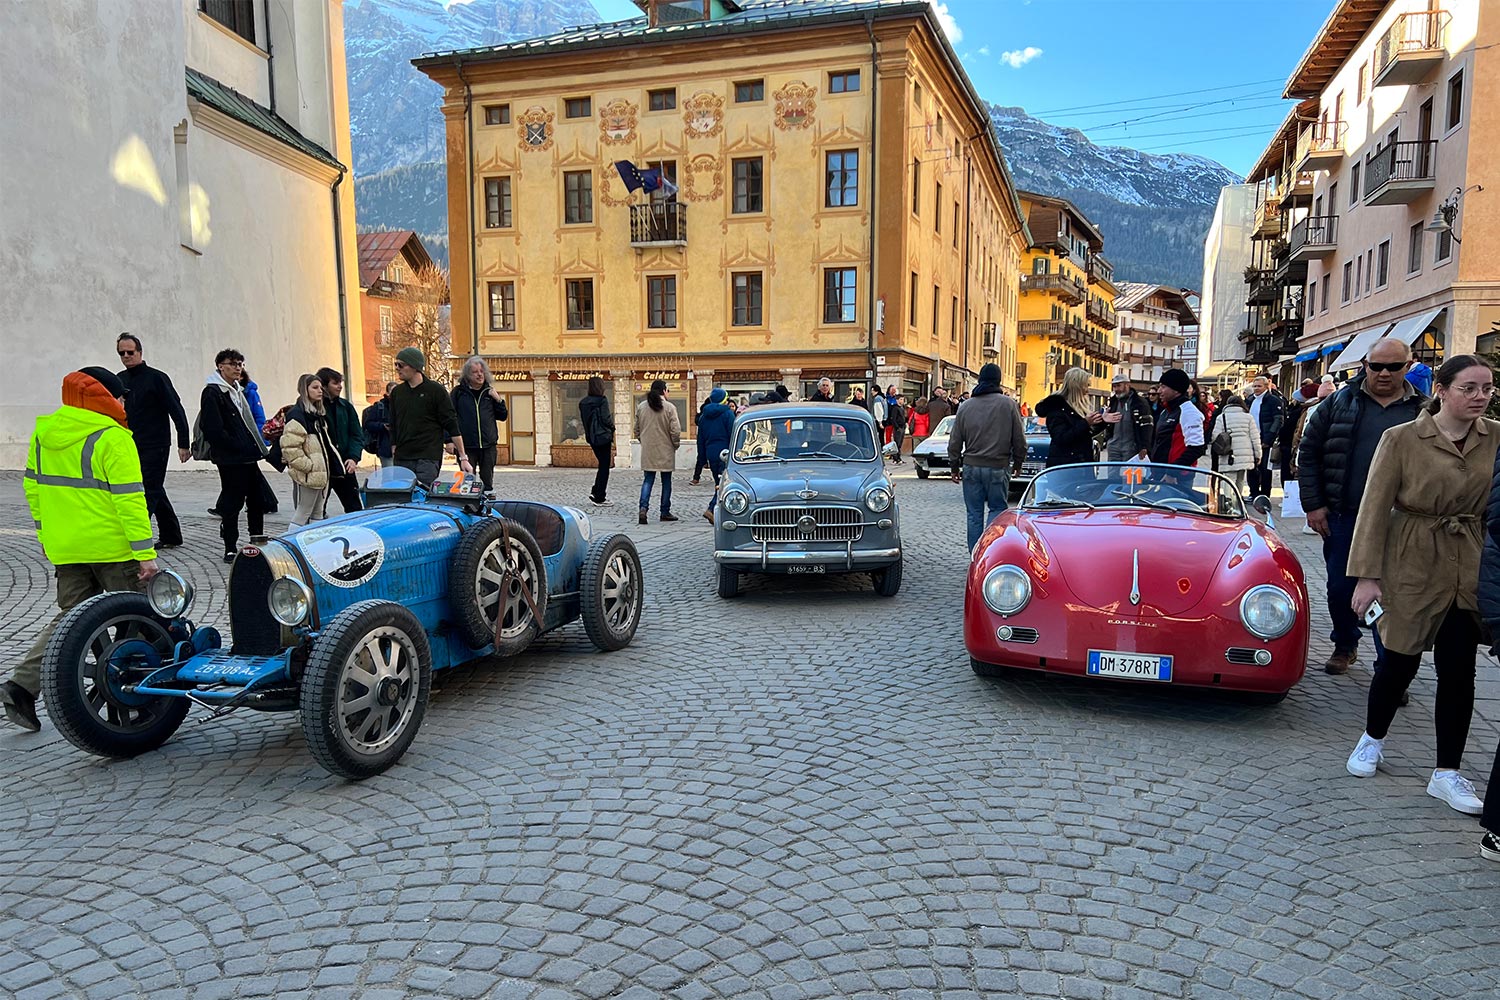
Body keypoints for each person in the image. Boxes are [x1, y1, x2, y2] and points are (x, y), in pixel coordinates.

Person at [1344, 355, 1499, 816]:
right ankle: (1373, 737)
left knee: (1459, 667)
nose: (1479, 397)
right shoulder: (1403, 438)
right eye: (1469, 388)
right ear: (1441, 389)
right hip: (1410, 556)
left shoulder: (1496, 436)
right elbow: (1373, 509)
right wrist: (1366, 578)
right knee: (1399, 661)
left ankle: (1446, 772)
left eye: (1487, 388)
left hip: (1468, 557)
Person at [1, 367, 161, 734]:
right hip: (112, 547)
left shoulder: (45, 433)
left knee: (71, 619)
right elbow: (129, 501)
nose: (123, 402)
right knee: (143, 615)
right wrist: (145, 554)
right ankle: (149, 693)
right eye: (120, 395)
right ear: (104, 396)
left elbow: (32, 489)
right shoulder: (113, 437)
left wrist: (47, 536)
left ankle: (22, 687)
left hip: (67, 547)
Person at [1298, 339, 1426, 675]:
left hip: (1400, 520)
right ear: (1365, 365)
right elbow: (1308, 452)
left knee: (1395, 593)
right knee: (1340, 586)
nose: (1384, 373)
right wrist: (1314, 505)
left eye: (1394, 367)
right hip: (1344, 514)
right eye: (1376, 365)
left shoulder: (1423, 411)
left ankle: (1389, 666)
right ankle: (1344, 643)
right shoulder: (1339, 403)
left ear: (1408, 367)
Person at [115, 333, 188, 549]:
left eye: (130, 352)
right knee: (155, 488)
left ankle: (137, 539)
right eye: (122, 353)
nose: (126, 356)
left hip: (156, 443)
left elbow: (176, 409)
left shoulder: (157, 378)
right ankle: (171, 534)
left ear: (140, 352)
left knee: (148, 489)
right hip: (130, 443)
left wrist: (183, 442)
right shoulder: (119, 379)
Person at [200, 348, 270, 563]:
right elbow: (213, 429)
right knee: (233, 502)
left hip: (248, 456)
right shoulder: (213, 392)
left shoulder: (238, 390)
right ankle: (230, 546)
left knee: (257, 499)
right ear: (221, 366)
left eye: (240, 364)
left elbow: (247, 423)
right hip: (230, 458)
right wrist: (236, 445)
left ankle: (256, 540)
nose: (238, 368)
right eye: (233, 364)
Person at [947, 363, 1026, 550]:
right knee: (997, 510)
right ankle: (990, 553)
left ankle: (975, 555)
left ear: (981, 379)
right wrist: (1018, 462)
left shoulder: (965, 407)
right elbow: (1019, 439)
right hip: (998, 466)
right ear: (998, 380)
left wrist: (953, 466)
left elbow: (954, 441)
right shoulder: (1009, 405)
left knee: (974, 514)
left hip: (972, 466)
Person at [388, 346, 471, 488]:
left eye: (400, 365)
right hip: (403, 457)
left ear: (414, 366)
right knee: (403, 498)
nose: (397, 368)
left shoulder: (436, 391)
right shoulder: (397, 393)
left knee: (421, 496)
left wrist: (463, 457)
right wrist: (394, 446)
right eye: (395, 365)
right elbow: (394, 423)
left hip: (427, 456)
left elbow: (451, 423)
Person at [280, 373, 342, 528]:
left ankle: (313, 545)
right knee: (303, 512)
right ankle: (291, 545)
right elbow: (290, 447)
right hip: (309, 473)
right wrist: (308, 466)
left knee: (317, 513)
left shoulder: (317, 415)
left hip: (320, 472)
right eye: (315, 387)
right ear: (304, 390)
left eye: (320, 387)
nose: (320, 391)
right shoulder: (297, 414)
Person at [449, 357, 508, 494]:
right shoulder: (458, 393)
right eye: (475, 372)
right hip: (466, 445)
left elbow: (503, 416)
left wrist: (498, 400)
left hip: (488, 445)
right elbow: (449, 418)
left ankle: (486, 506)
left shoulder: (489, 392)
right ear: (468, 375)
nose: (479, 374)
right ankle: (468, 505)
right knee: (467, 481)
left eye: (482, 371)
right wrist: (448, 441)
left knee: (487, 481)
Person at [313, 367, 365, 513]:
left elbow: (357, 434)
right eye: (335, 383)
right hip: (323, 467)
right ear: (324, 386)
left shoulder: (346, 406)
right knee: (317, 509)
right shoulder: (314, 407)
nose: (340, 386)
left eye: (340, 382)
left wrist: (353, 458)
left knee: (354, 508)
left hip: (344, 464)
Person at [636, 378, 681, 523]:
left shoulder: (642, 406)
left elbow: (636, 429)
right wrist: (675, 444)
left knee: (648, 480)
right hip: (666, 449)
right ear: (663, 391)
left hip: (648, 449)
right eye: (667, 390)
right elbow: (675, 430)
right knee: (666, 481)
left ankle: (643, 509)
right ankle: (665, 511)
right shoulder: (669, 407)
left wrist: (644, 441)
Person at [1035, 368, 1099, 467]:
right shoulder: (1056, 408)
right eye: (1086, 385)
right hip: (1065, 466)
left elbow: (1084, 434)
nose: (1087, 390)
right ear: (1077, 386)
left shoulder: (1077, 407)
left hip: (1080, 464)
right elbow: (1061, 438)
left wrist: (1103, 421)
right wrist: (1085, 423)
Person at [1150, 368, 1206, 467]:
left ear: (1176, 390)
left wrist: (1173, 473)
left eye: (1163, 387)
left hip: (1176, 476)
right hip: (1159, 470)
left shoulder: (1188, 412)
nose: (1159, 391)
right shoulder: (1166, 410)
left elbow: (1197, 448)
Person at [697, 388, 735, 523]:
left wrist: (701, 460)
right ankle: (711, 509)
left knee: (718, 483)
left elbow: (700, 440)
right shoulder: (728, 414)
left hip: (711, 453)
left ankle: (716, 510)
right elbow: (733, 435)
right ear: (724, 400)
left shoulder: (703, 416)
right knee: (724, 483)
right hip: (725, 452)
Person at [1212, 394, 1261, 497]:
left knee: (1228, 478)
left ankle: (1228, 500)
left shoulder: (1222, 417)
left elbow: (1215, 436)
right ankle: (1238, 500)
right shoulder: (1248, 417)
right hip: (1245, 452)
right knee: (1240, 478)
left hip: (1228, 451)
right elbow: (1255, 437)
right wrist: (1258, 454)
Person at [580, 376, 615, 506]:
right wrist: (612, 428)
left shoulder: (583, 403)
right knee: (605, 466)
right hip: (603, 437)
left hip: (592, 438)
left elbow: (585, 422)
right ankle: (600, 496)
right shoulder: (602, 400)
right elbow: (606, 418)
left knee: (602, 464)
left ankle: (596, 490)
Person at [1102, 373, 1153, 463]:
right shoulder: (1113, 401)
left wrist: (1144, 446)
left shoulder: (1140, 402)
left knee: (1129, 475)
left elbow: (1147, 426)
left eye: (1118, 386)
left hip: (1131, 447)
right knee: (1112, 475)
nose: (1116, 389)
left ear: (1127, 385)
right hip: (1114, 445)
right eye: (1114, 386)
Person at [1245, 376, 1282, 497]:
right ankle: (1253, 492)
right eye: (1254, 386)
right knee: (1251, 468)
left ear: (1266, 387)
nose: (1256, 388)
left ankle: (1265, 494)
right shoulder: (1249, 400)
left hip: (1266, 439)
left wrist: (1269, 438)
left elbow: (1278, 420)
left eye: (1259, 386)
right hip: (1251, 439)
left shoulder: (1273, 400)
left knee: (1266, 469)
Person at [361, 382, 396, 468]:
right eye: (393, 391)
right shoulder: (380, 407)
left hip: (402, 450)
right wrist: (382, 426)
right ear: (387, 393)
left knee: (402, 478)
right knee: (389, 477)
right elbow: (368, 424)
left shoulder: (403, 406)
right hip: (386, 448)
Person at [886, 391, 907, 462]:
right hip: (898, 428)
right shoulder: (895, 408)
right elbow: (893, 419)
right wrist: (897, 427)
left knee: (900, 444)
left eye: (903, 399)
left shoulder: (902, 408)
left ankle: (899, 457)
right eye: (901, 399)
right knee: (897, 443)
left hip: (903, 427)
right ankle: (895, 458)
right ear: (897, 400)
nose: (902, 401)